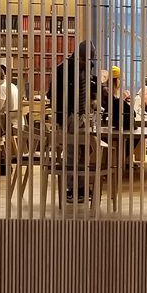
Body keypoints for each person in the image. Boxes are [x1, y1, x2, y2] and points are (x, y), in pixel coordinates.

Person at [47, 40, 99, 201]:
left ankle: (82, 187)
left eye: (89, 61)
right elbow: (52, 95)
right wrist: (65, 115)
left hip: (83, 115)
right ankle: (70, 189)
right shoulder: (63, 70)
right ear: (77, 56)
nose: (86, 64)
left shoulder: (87, 67)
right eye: (84, 60)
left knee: (85, 151)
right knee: (70, 153)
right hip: (69, 116)